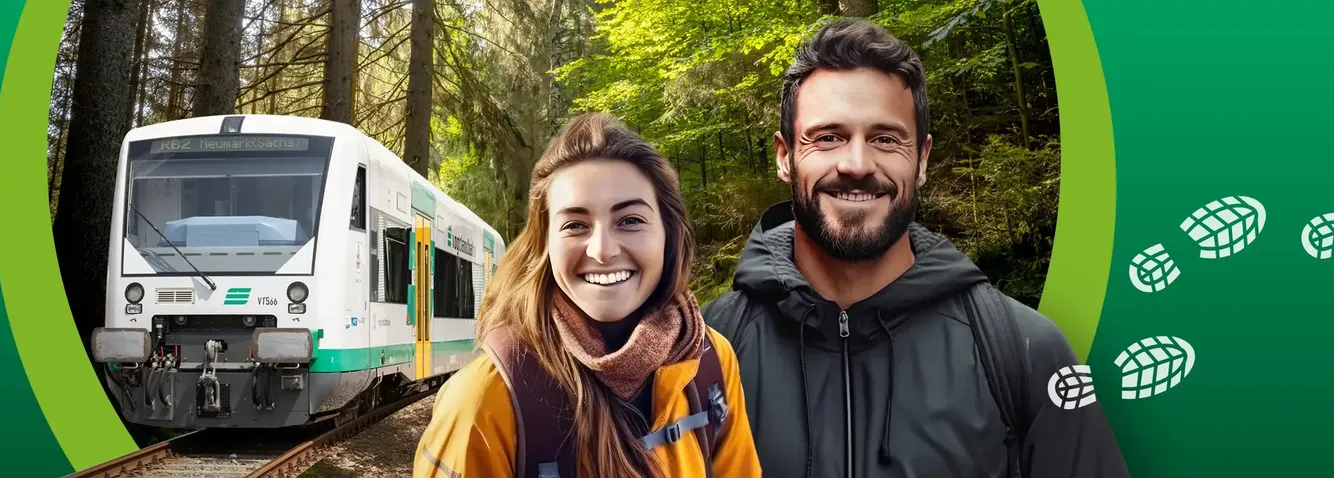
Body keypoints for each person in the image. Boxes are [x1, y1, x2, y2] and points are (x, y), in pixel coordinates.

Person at [702, 18, 1130, 477]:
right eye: (828, 138)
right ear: (785, 156)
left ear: (922, 160)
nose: (857, 164)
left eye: (886, 139)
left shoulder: (1026, 351)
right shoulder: (701, 351)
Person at [415, 113, 761, 477]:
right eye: (575, 225)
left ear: (668, 234)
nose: (602, 250)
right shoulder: (485, 401)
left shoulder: (710, 361)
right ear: (544, 245)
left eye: (630, 220)